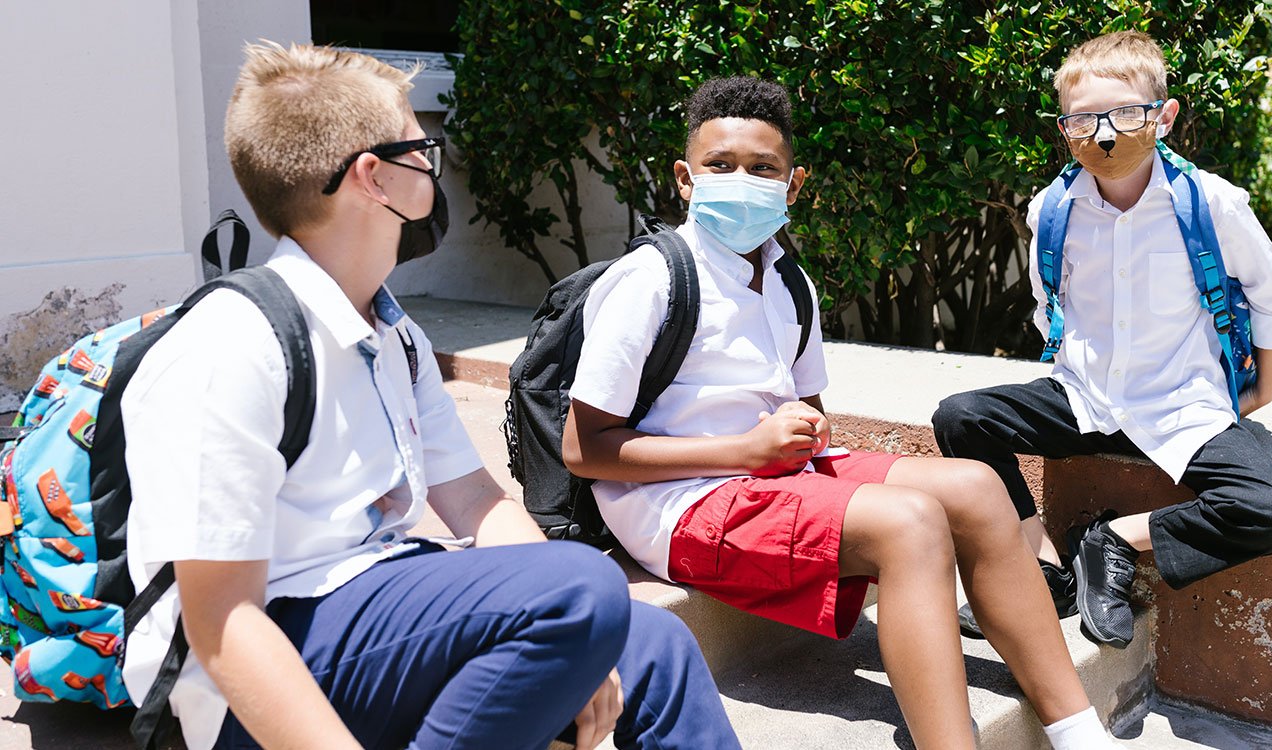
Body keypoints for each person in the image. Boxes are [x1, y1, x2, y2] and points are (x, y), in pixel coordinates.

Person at [120, 42, 738, 750]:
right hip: (256, 675)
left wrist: (585, 638)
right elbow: (224, 624)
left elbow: (476, 504)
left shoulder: (392, 333)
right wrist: (572, 605)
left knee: (649, 640)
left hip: (373, 609)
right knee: (579, 587)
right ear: (373, 178)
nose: (433, 162)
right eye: (422, 145)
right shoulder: (231, 344)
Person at [563, 76, 1118, 750]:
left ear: (792, 185)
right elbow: (584, 448)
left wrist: (797, 432)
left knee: (975, 484)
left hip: (768, 474)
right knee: (910, 523)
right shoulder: (650, 280)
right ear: (685, 178)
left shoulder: (788, 280)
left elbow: (807, 411)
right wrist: (745, 451)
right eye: (720, 165)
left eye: (762, 168)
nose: (741, 179)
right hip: (677, 500)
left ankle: (1076, 730)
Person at [933, 30, 1272, 649]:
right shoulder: (1052, 210)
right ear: (1066, 129)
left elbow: (1270, 288)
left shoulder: (1211, 202)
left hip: (1181, 405)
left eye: (1127, 114)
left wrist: (1264, 385)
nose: (1105, 134)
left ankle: (1114, 541)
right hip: (1085, 399)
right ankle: (1043, 567)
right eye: (1084, 120)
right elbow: (1047, 305)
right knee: (963, 417)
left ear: (1163, 117)